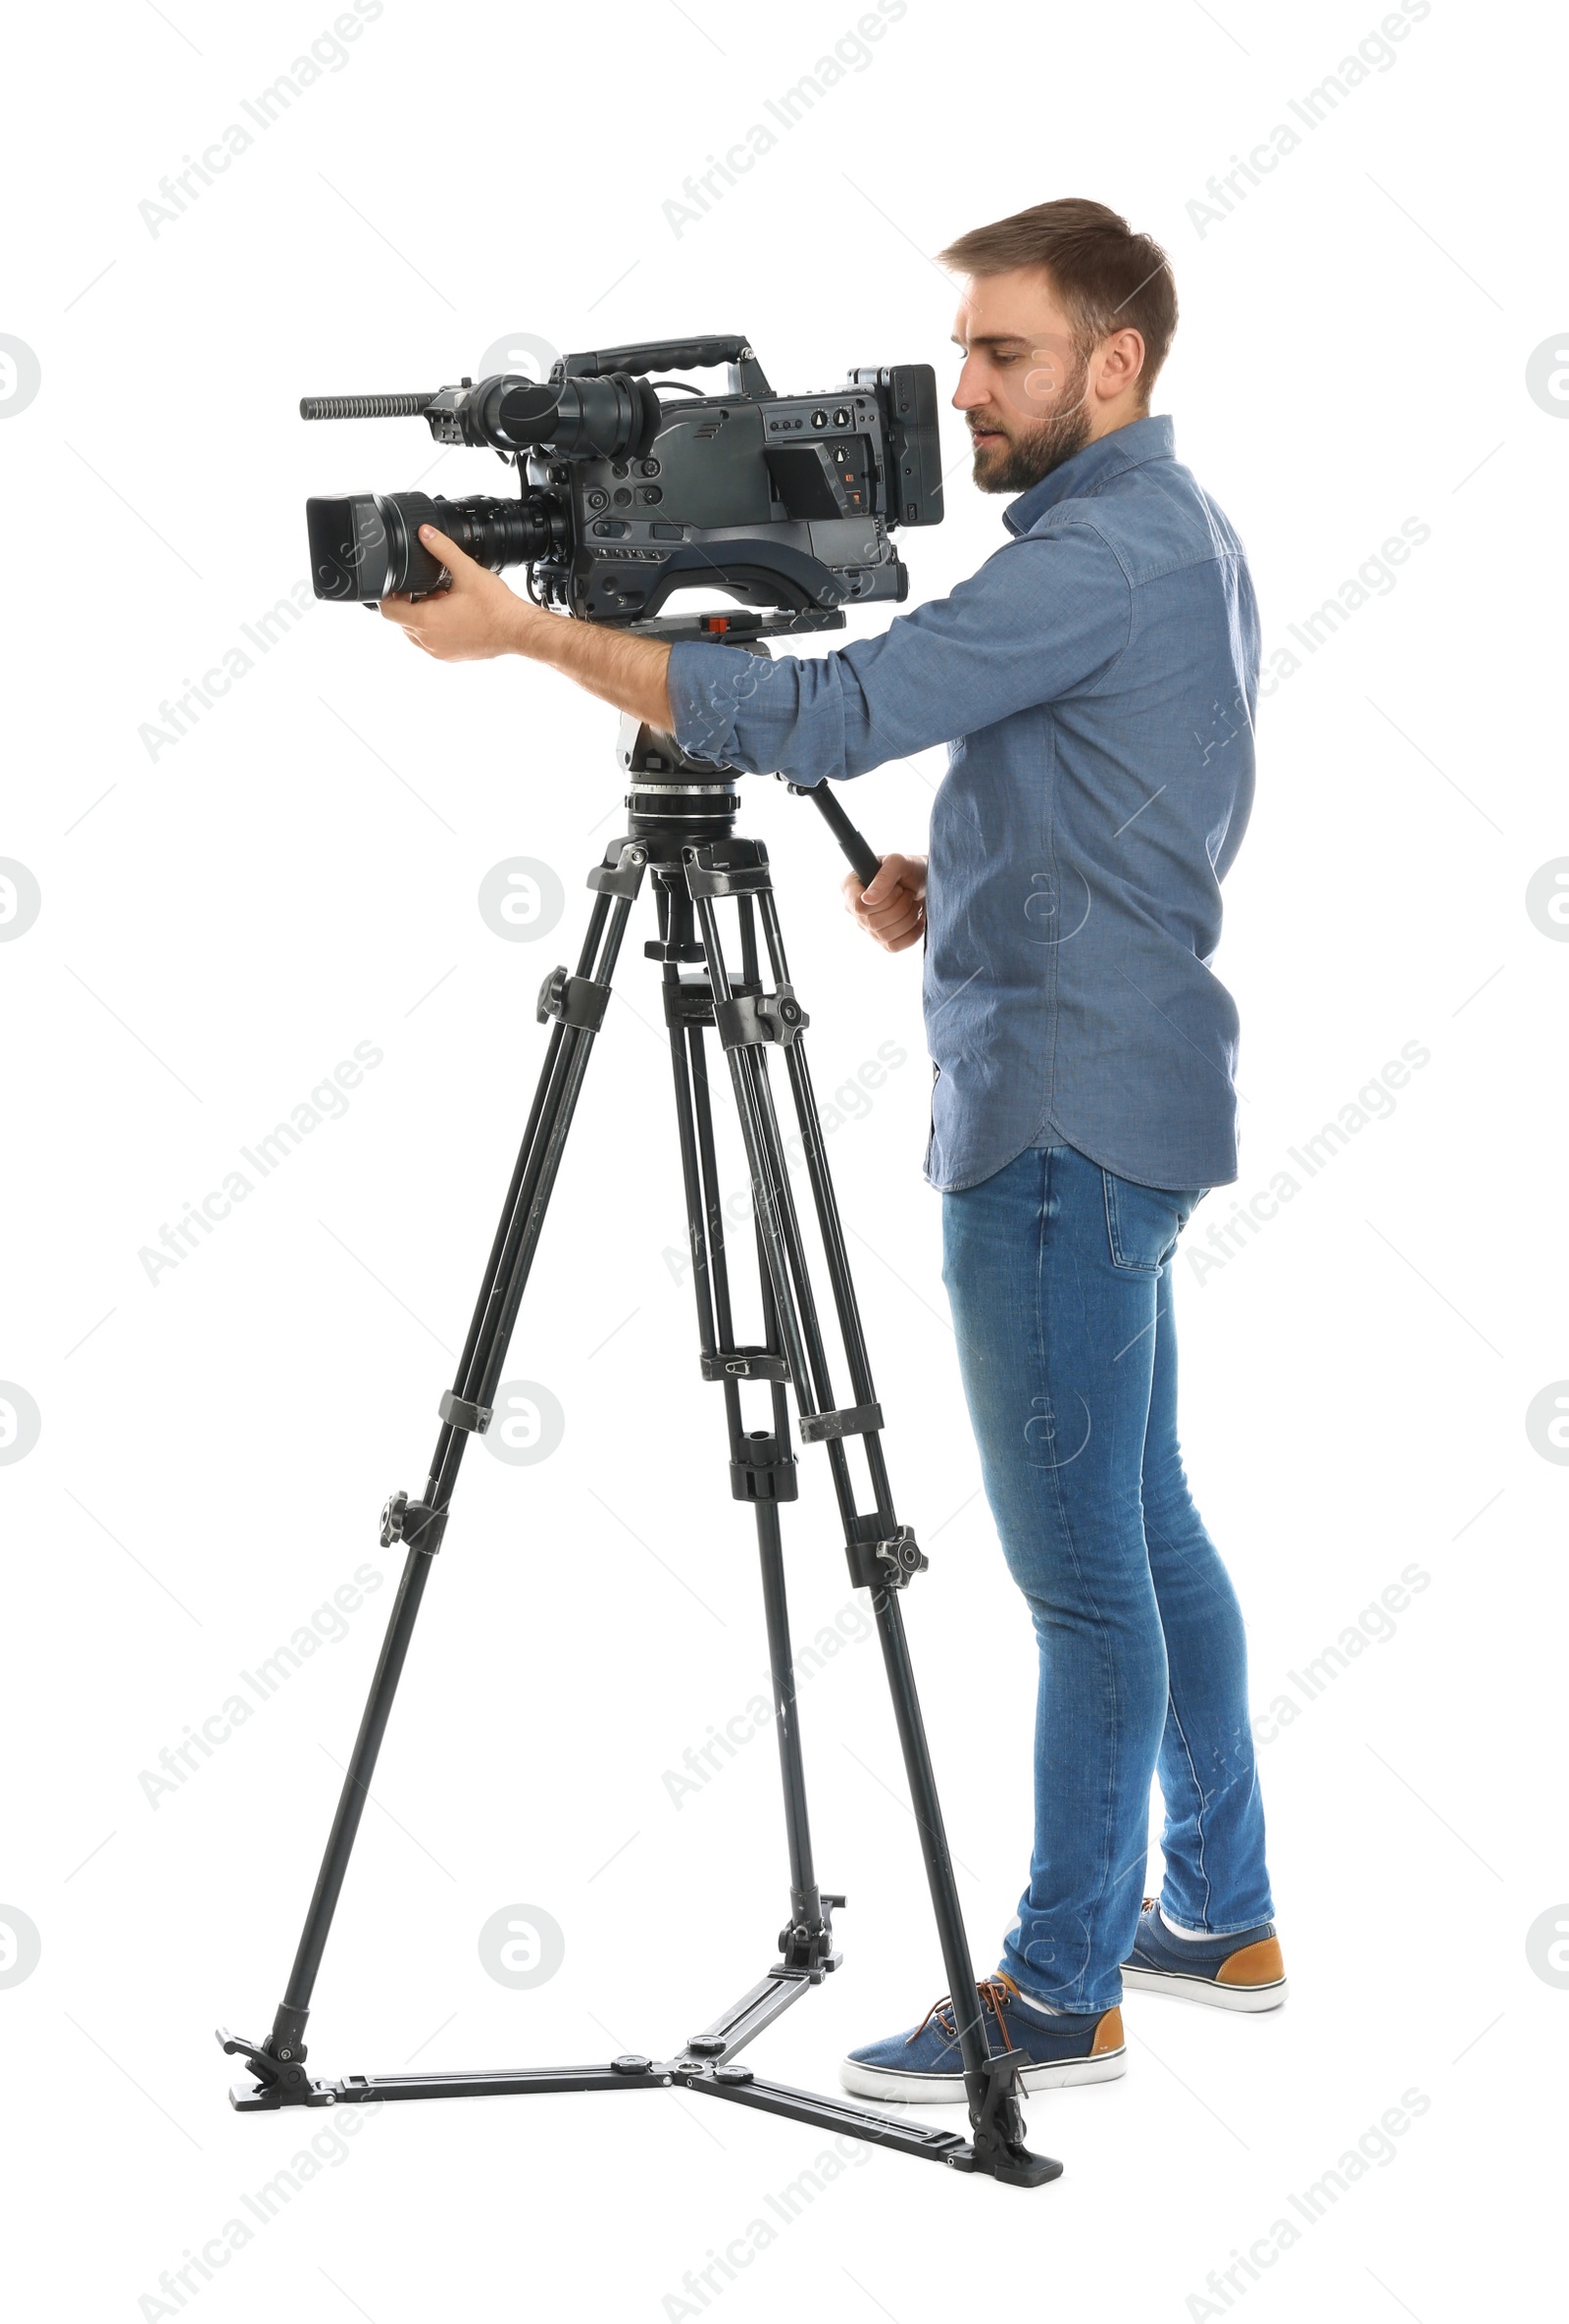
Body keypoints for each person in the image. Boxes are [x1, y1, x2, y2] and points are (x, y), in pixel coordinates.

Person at [378, 196, 1285, 2105]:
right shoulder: (1173, 540)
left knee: (1082, 1587)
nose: (957, 389)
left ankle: (1055, 1998)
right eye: (959, 350)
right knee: (1156, 1525)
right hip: (1134, 1090)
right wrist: (951, 887)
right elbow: (1149, 790)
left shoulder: (1086, 560)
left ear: (1112, 365)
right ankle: (1216, 1912)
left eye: (1002, 355)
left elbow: (832, 709)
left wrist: (533, 637)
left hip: (1047, 1130)